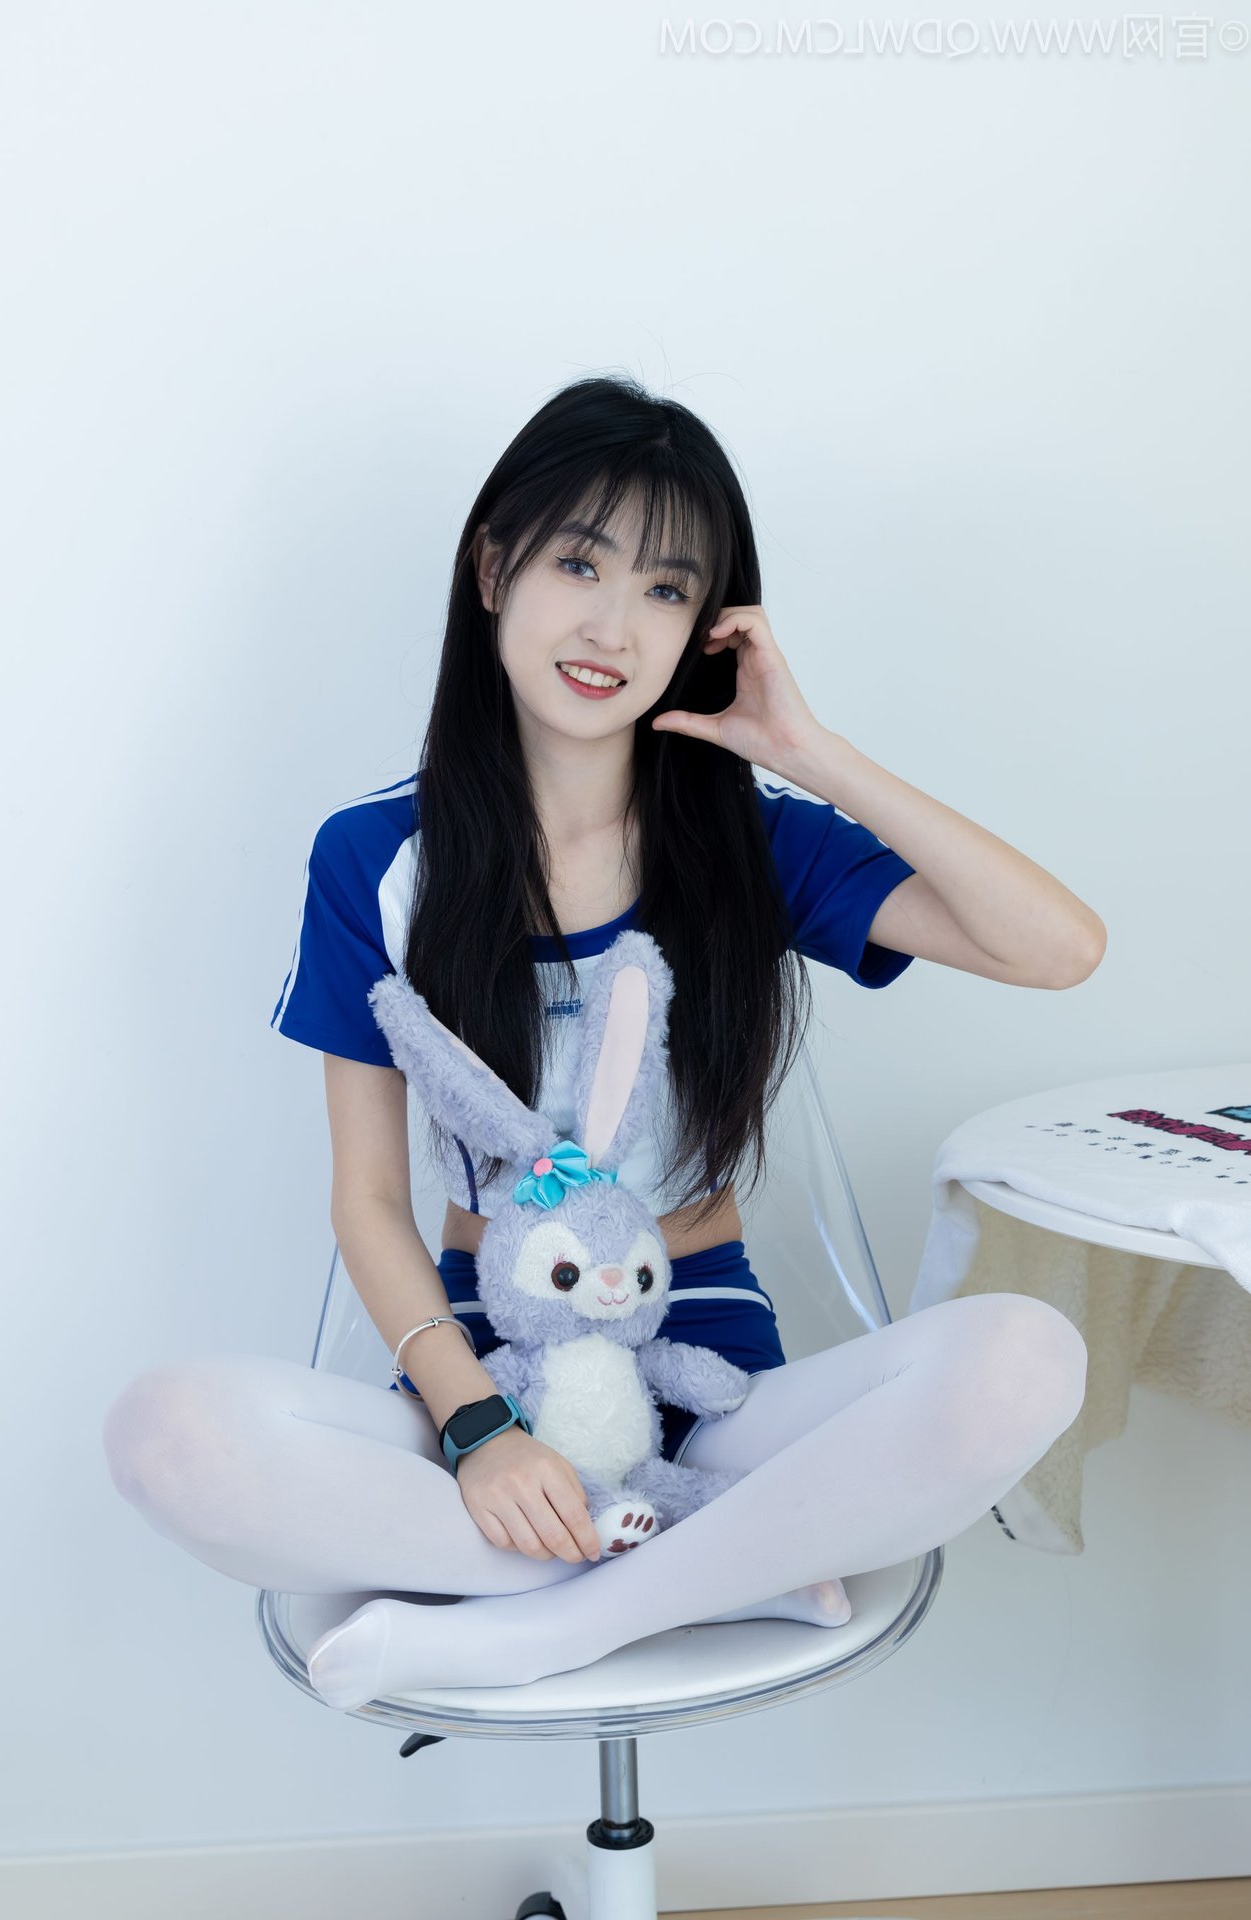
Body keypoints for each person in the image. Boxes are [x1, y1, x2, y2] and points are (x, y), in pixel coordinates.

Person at [102, 374, 1101, 1711]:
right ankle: (711, 1566)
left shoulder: (749, 842)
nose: (611, 627)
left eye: (665, 589)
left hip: (711, 1370)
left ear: (707, 629)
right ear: (492, 569)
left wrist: (807, 749)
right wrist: (477, 1429)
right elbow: (370, 1199)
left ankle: (545, 1621)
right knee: (167, 1435)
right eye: (579, 563)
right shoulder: (377, 859)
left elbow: (1057, 948)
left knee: (1027, 1357)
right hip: (485, 1357)